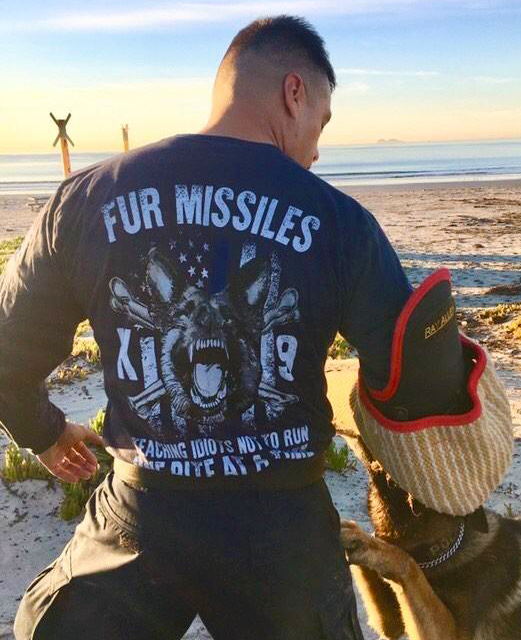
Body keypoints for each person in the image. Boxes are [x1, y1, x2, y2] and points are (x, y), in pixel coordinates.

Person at [1, 15, 414, 640]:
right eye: (321, 122)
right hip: (284, 527)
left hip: (142, 512)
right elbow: (412, 377)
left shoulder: (86, 200)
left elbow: (5, 354)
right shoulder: (339, 222)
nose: (317, 148)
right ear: (294, 92)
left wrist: (44, 428)